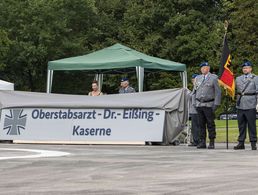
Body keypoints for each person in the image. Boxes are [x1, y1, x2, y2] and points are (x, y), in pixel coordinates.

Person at [193, 62, 221, 149]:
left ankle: (211, 142)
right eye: (201, 68)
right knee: (201, 124)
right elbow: (194, 91)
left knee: (210, 124)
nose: (202, 69)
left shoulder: (213, 78)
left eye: (204, 67)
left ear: (208, 68)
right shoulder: (198, 78)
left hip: (209, 104)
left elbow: (218, 92)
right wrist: (194, 103)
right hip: (199, 104)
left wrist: (216, 104)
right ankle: (202, 142)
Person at [234, 60, 258, 150]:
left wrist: (257, 103)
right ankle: (241, 143)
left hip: (251, 103)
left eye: (247, 68)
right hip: (240, 104)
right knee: (241, 125)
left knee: (251, 125)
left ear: (250, 69)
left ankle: (253, 142)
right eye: (244, 68)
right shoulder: (238, 78)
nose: (245, 69)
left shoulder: (255, 78)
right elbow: (236, 91)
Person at [188, 73, 200, 146]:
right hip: (193, 111)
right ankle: (195, 140)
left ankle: (197, 141)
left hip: (196, 110)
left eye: (195, 79)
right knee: (194, 127)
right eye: (192, 80)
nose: (193, 81)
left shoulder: (197, 88)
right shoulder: (194, 88)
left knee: (196, 127)